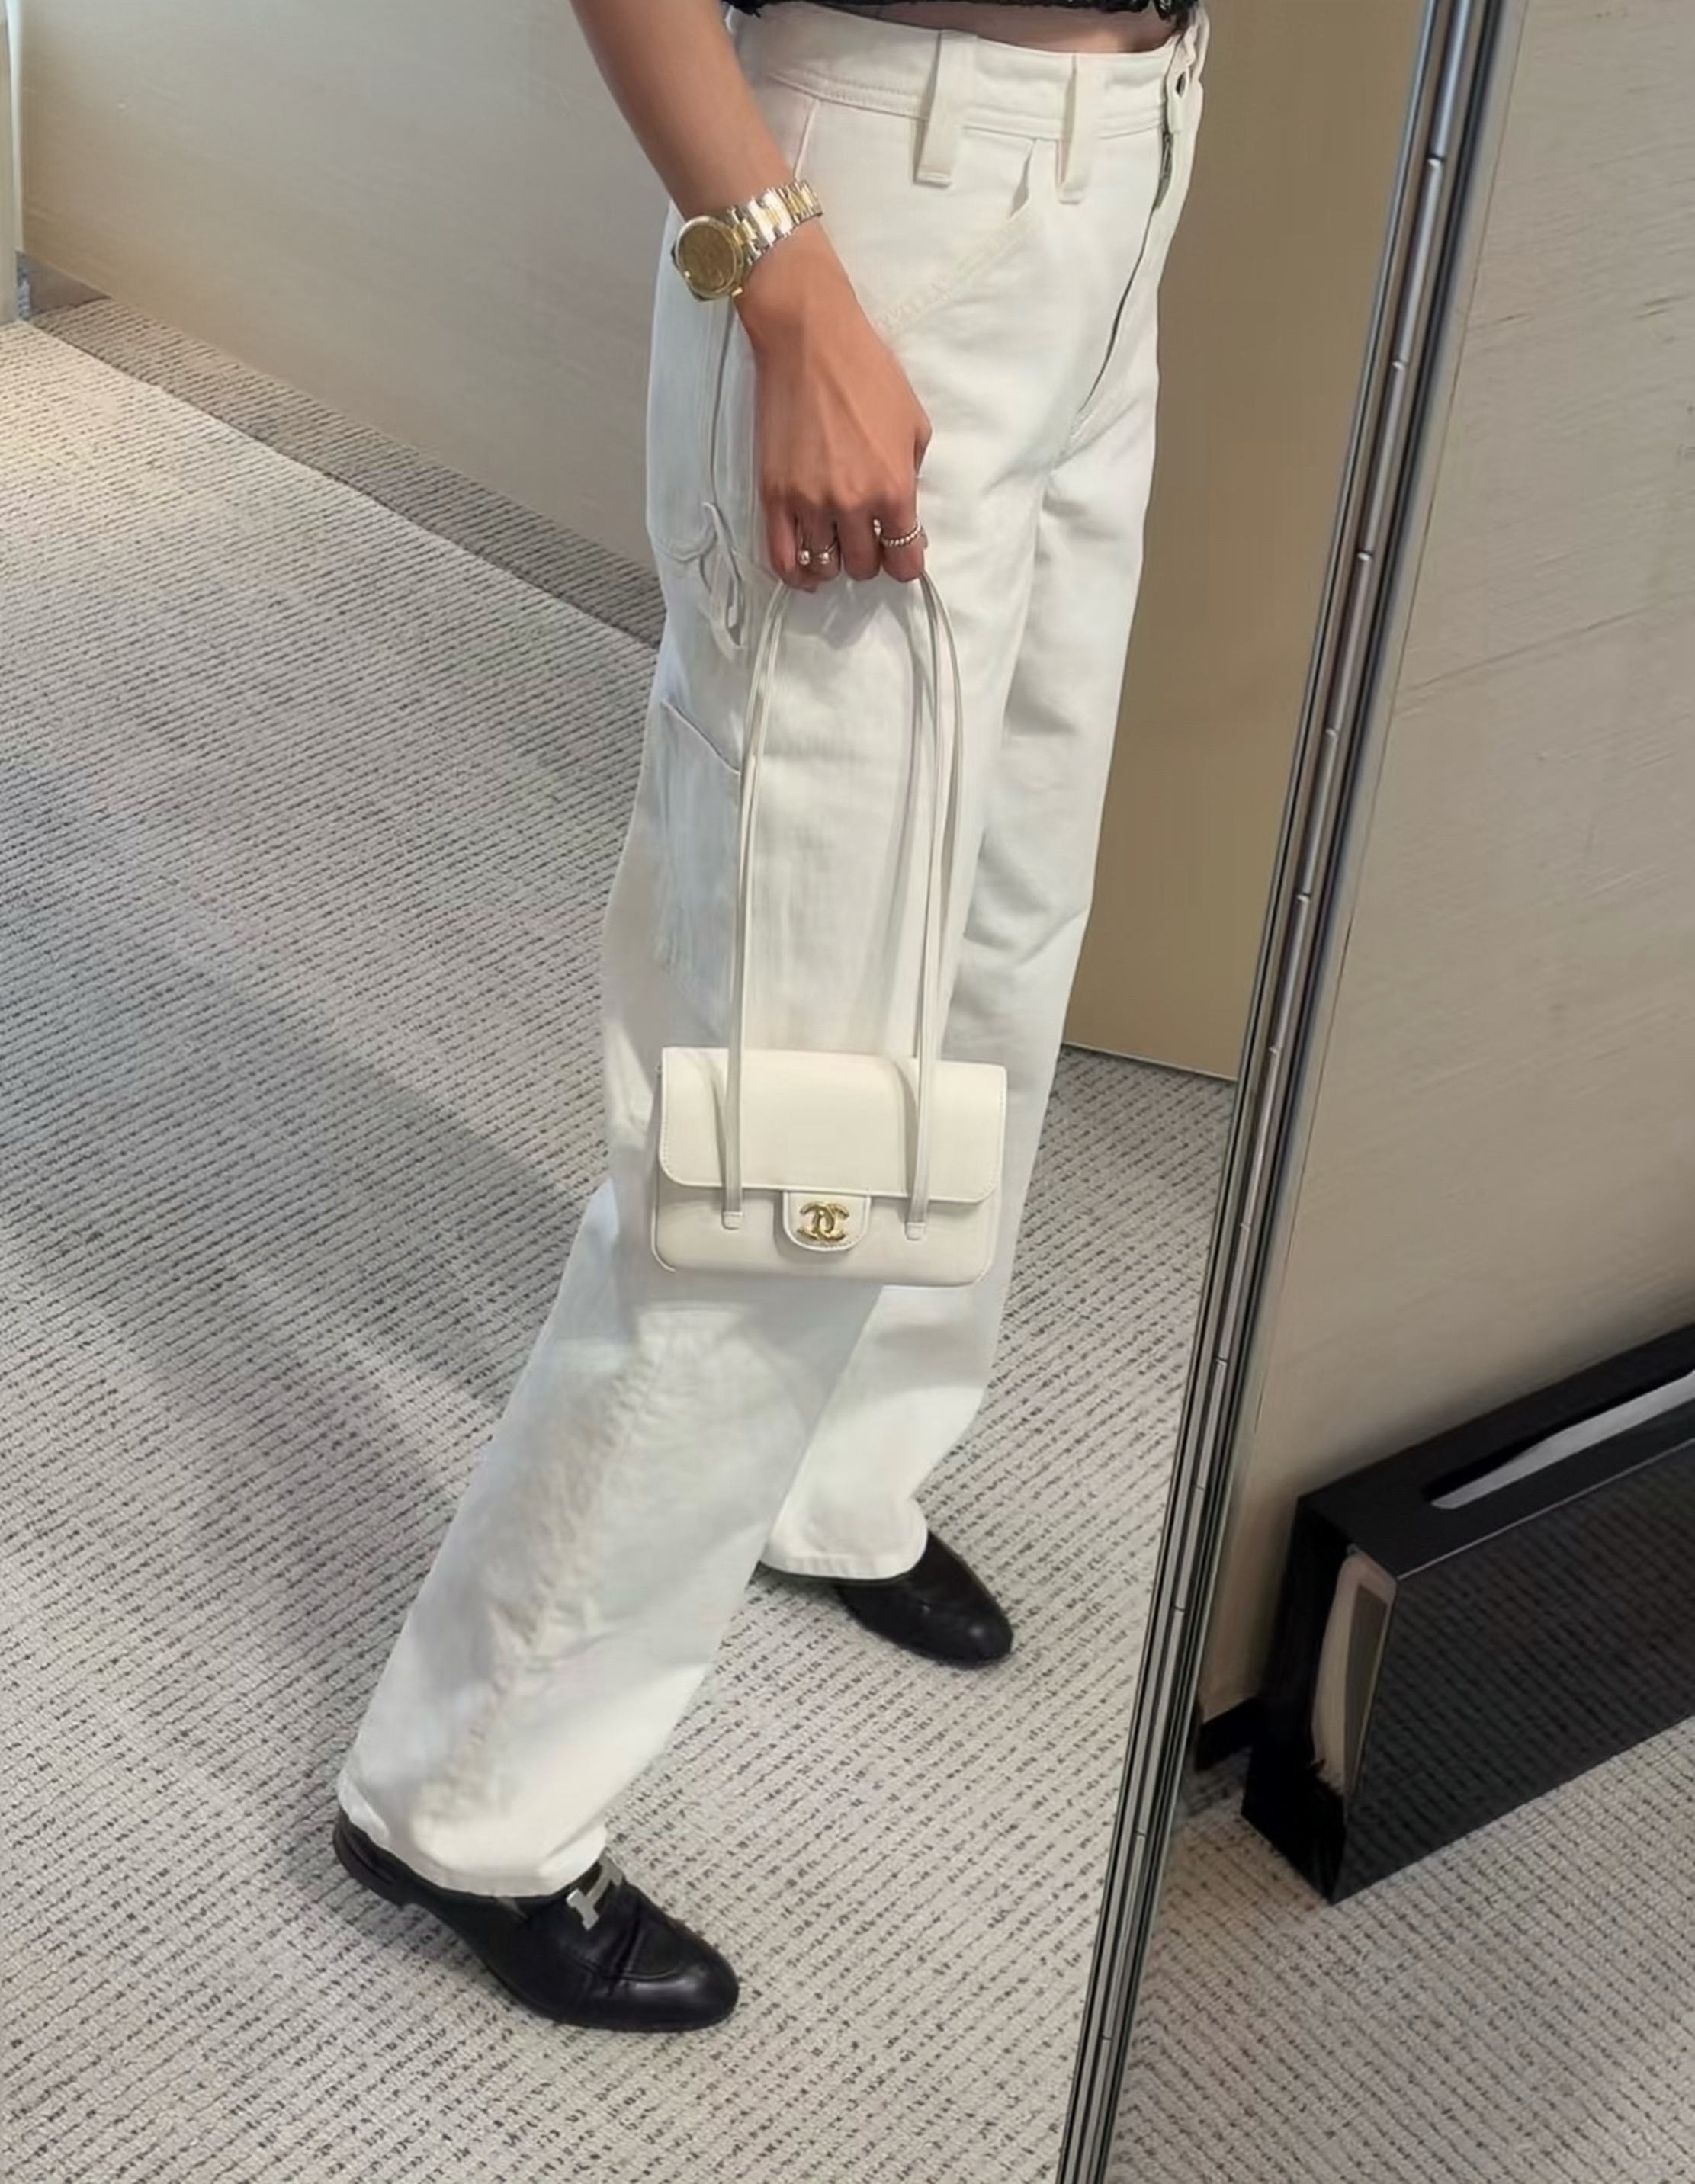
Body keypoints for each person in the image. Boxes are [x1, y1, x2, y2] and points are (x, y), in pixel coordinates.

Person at [333, 0, 1205, 2034]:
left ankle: (841, 1467)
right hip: (880, 212)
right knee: (801, 1081)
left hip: (1122, 175)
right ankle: (469, 1792)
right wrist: (788, 292)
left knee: (998, 936)